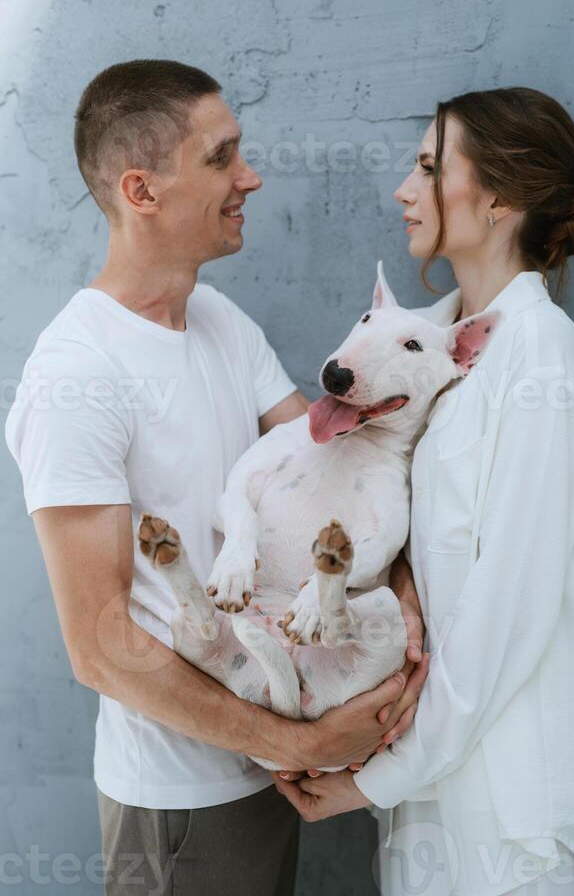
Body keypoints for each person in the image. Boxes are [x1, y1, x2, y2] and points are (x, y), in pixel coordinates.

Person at [4, 59, 427, 896]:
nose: (250, 177)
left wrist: (405, 604)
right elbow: (100, 647)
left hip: (269, 758)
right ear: (141, 190)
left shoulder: (219, 321)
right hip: (184, 797)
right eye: (220, 158)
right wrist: (299, 744)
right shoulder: (74, 375)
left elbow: (342, 465)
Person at [273, 87, 574, 896]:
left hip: (507, 817)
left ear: (500, 196)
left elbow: (509, 602)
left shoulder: (538, 358)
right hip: (434, 799)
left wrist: (378, 780)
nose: (403, 191)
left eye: (430, 167)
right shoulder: (429, 355)